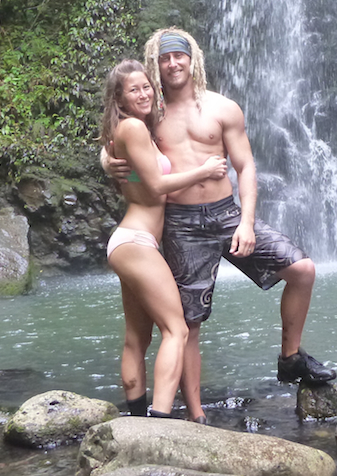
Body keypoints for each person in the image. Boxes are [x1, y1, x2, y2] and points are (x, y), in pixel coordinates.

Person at [103, 28, 335, 424]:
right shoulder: (150, 114)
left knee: (302, 269)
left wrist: (246, 221)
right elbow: (119, 136)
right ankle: (196, 414)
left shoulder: (223, 108)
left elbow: (244, 166)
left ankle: (290, 357)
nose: (173, 63)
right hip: (181, 224)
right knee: (187, 324)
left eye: (180, 56)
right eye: (164, 58)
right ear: (155, 64)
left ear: (193, 59)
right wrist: (105, 161)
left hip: (227, 214)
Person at [100, 58, 227, 418]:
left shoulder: (128, 129)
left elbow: (132, 171)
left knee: (137, 339)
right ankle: (161, 419)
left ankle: (137, 416)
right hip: (137, 242)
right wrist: (203, 170)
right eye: (133, 90)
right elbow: (156, 185)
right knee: (177, 329)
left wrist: (106, 161)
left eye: (145, 86)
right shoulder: (134, 130)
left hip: (129, 242)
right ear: (119, 99)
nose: (142, 94)